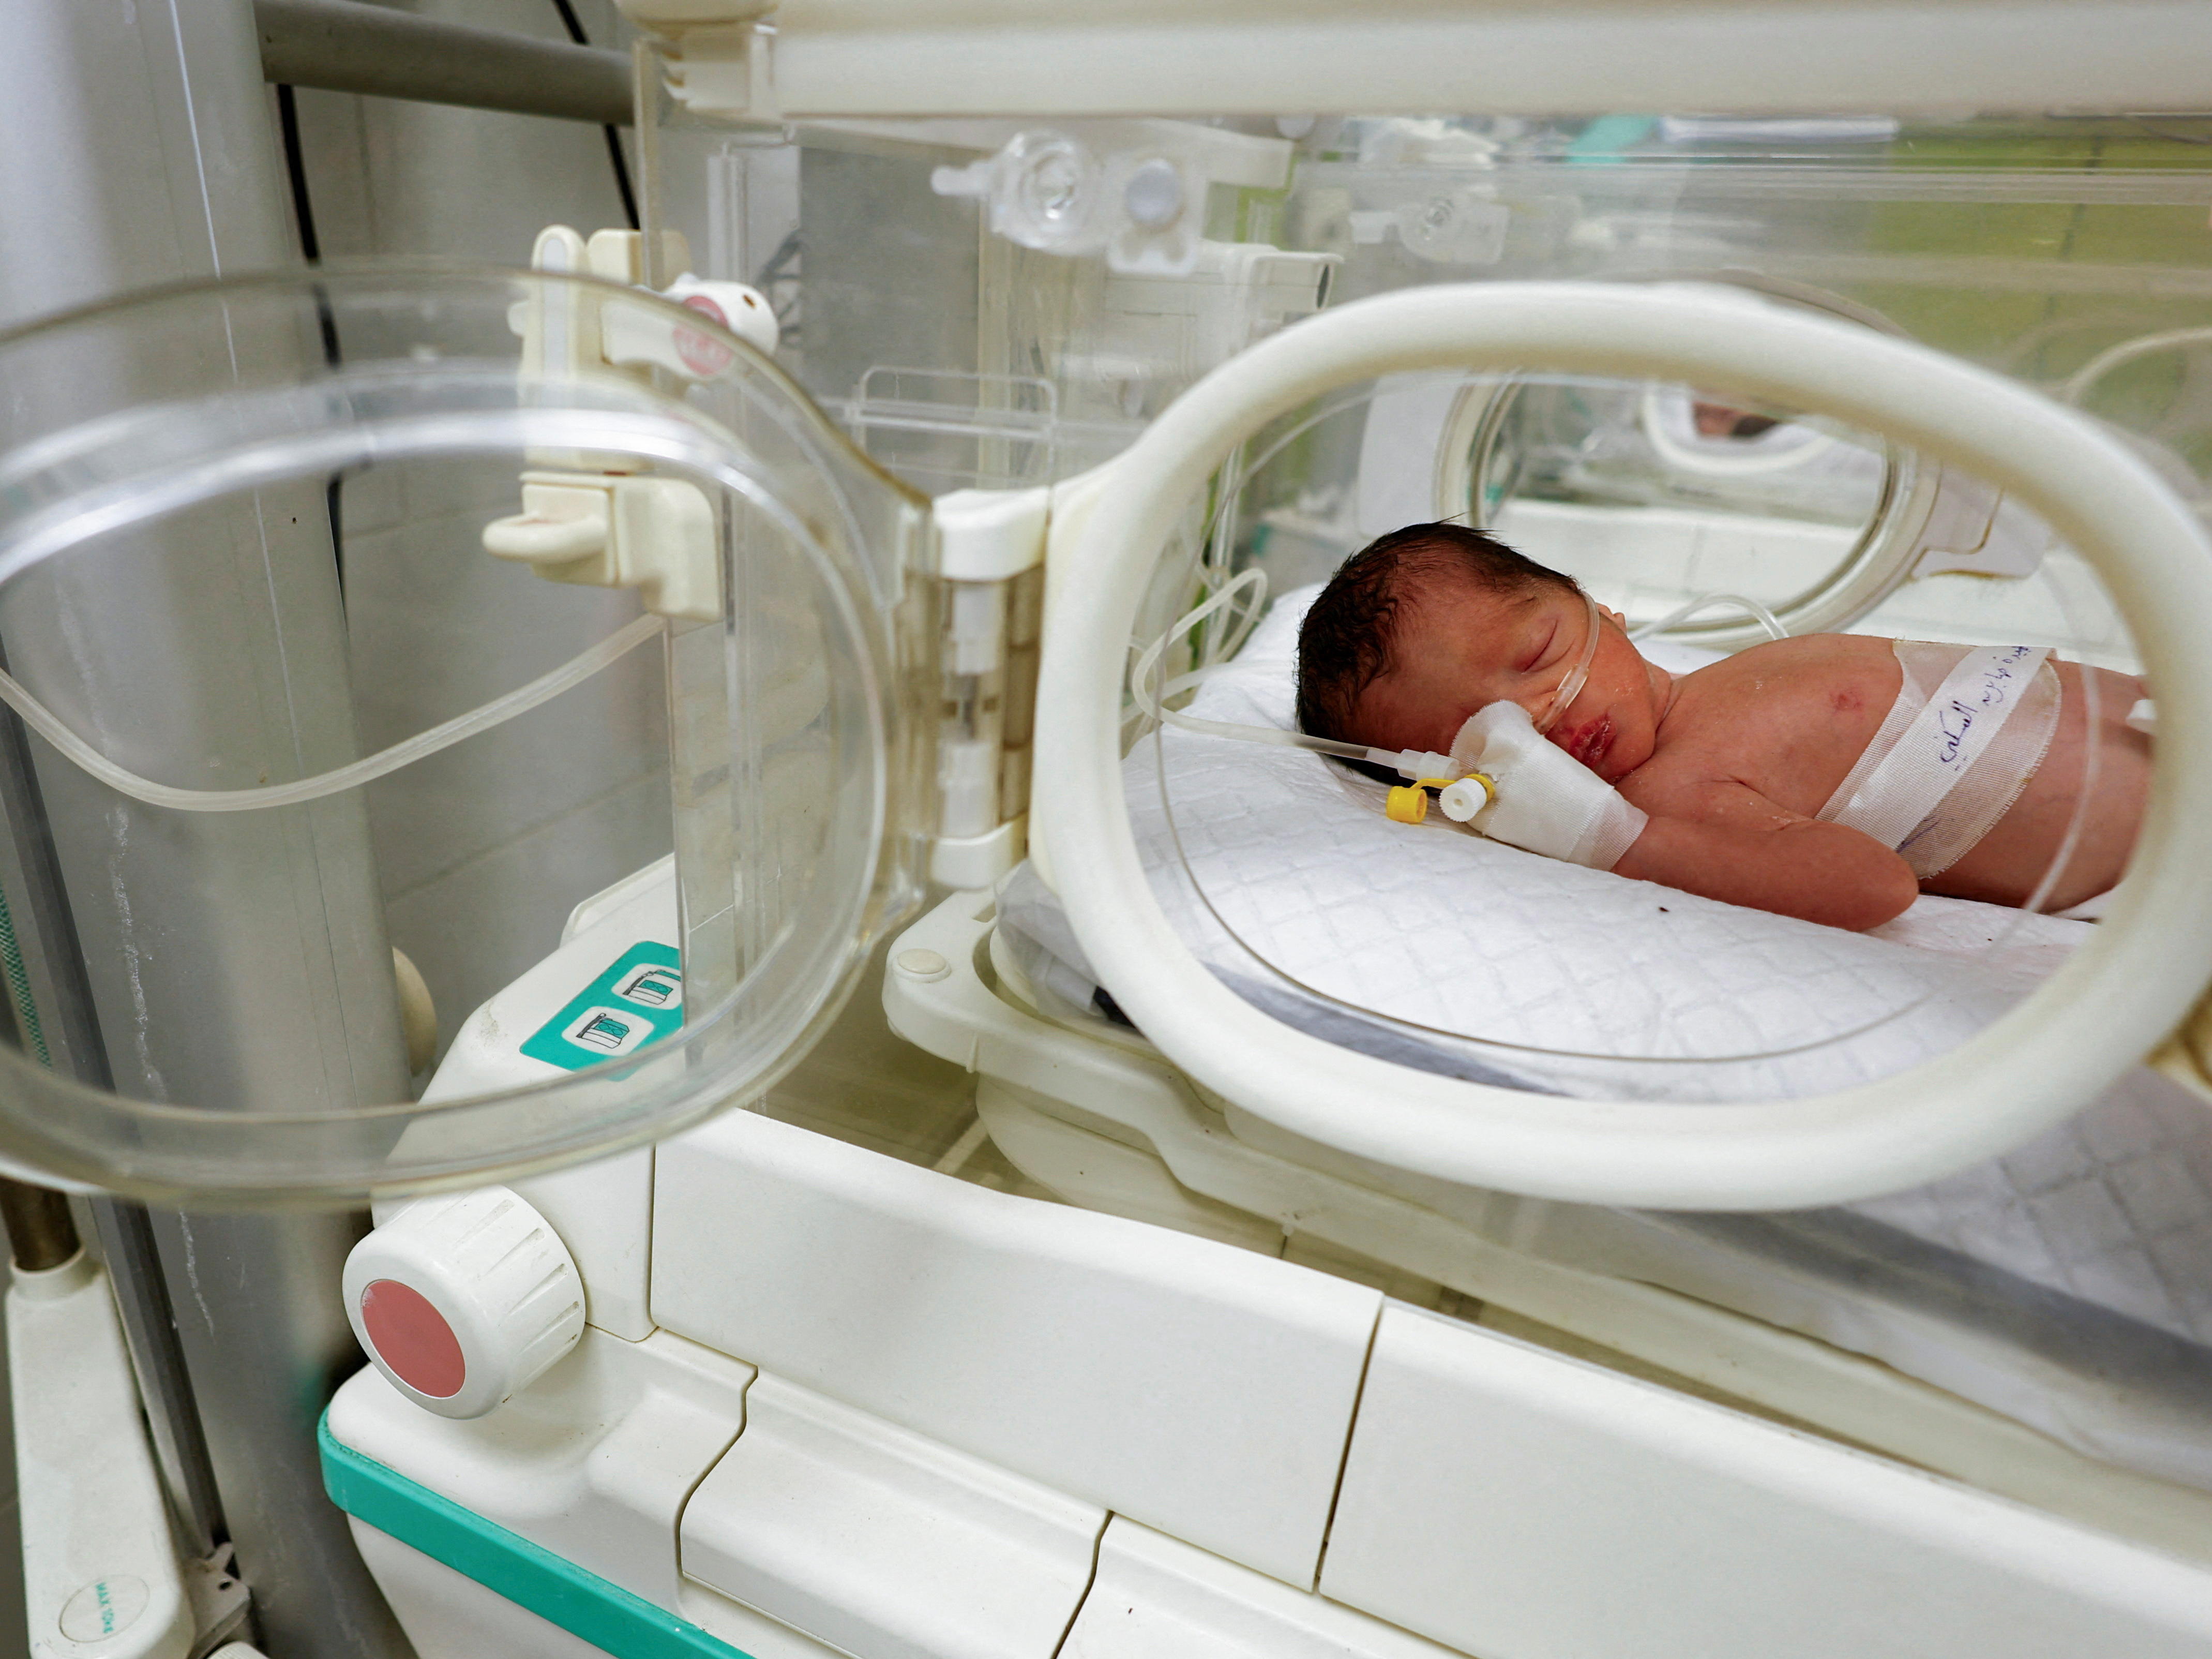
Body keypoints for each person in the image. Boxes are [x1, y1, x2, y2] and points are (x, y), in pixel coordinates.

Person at [1294, 522, 2149, 931]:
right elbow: (1874, 888)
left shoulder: (1727, 675)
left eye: (1536, 652)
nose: (1543, 711)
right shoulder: (1671, 798)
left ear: (1599, 607)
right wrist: (1610, 837)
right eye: (1490, 732)